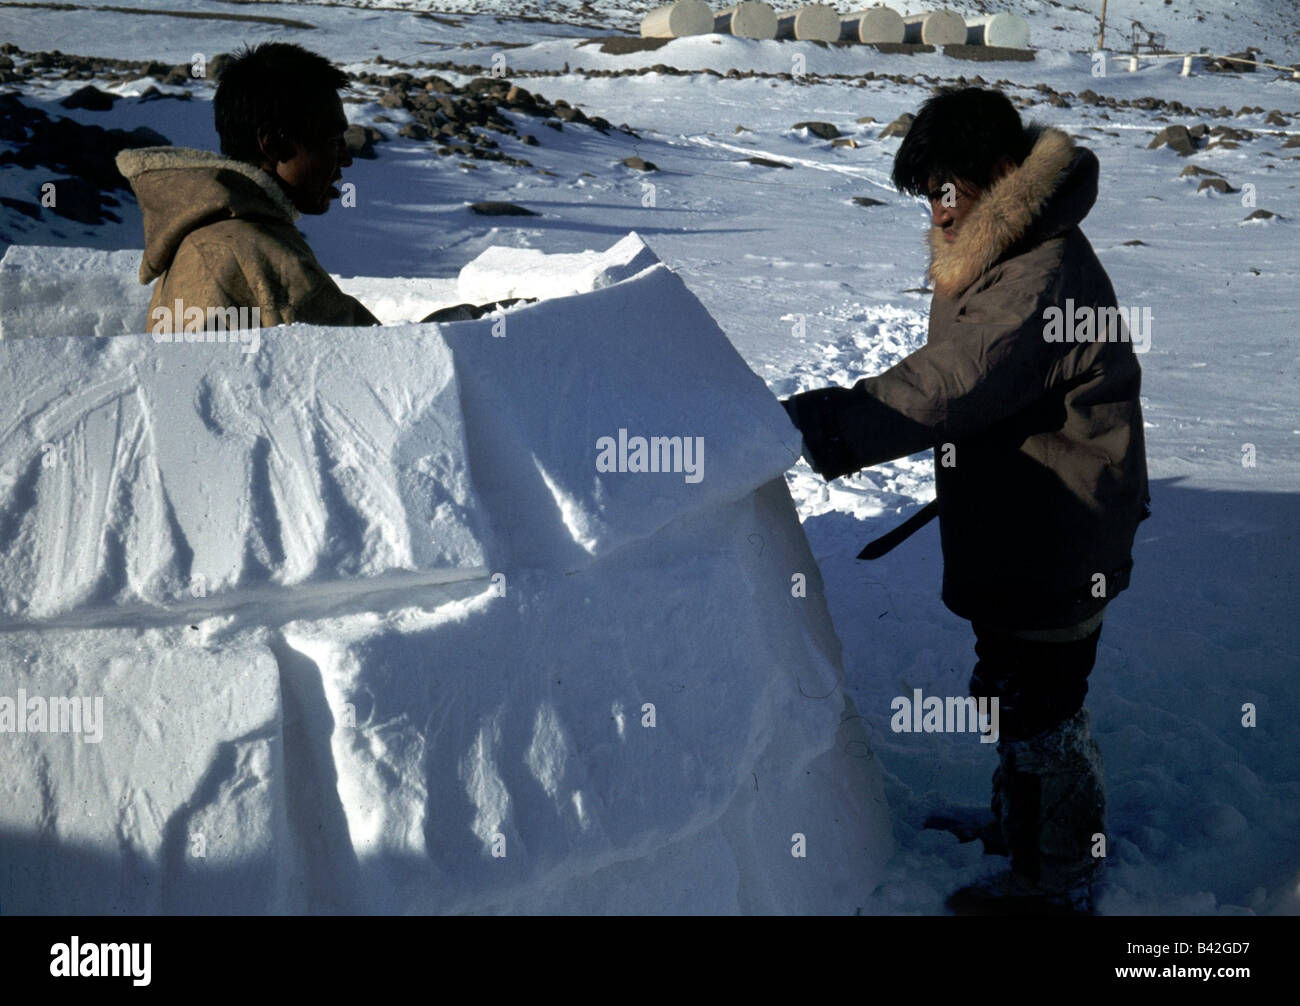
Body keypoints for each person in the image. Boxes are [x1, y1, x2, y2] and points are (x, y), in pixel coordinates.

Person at [781, 87, 1150, 915]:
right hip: (1027, 516)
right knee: (1017, 689)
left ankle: (1057, 878)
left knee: (1040, 707)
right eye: (928, 197)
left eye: (948, 191)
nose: (939, 213)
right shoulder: (1001, 246)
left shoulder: (1038, 273)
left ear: (996, 172)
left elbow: (950, 382)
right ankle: (1024, 828)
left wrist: (824, 425)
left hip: (1062, 527)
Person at [117, 42, 381, 333]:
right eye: (332, 141)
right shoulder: (246, 249)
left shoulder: (230, 237)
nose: (346, 159)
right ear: (273, 144)